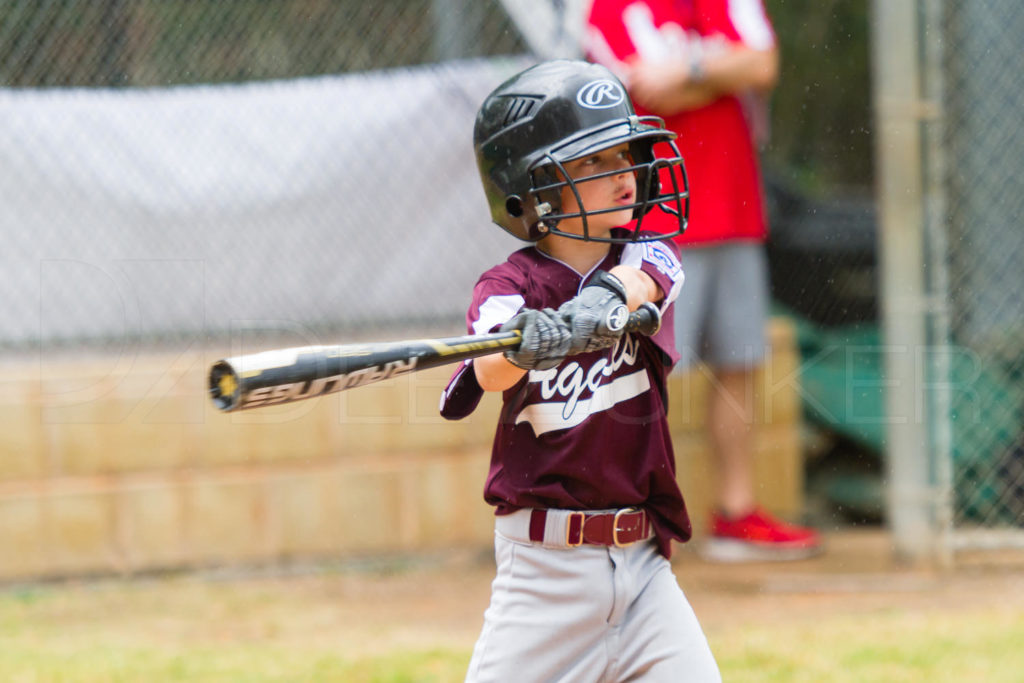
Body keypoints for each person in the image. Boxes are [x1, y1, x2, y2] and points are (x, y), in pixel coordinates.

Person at [441, 60, 721, 681]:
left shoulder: (650, 252)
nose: (623, 174)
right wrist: (519, 345)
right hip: (544, 574)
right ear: (533, 189)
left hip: (644, 570)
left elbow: (641, 282)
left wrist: (593, 309)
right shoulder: (506, 288)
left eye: (621, 154)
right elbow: (488, 369)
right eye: (592, 162)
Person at [585, 0, 822, 562]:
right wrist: (716, 69)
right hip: (655, 220)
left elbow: (761, 65)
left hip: (733, 206)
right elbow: (646, 95)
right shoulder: (609, 8)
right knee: (639, 372)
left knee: (737, 363)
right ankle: (625, 515)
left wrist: (690, 70)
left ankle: (735, 515)